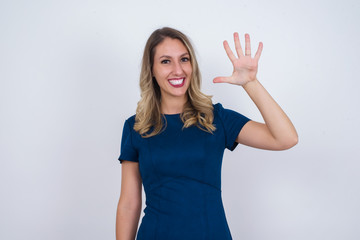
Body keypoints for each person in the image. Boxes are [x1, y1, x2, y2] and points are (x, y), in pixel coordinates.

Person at [115, 27, 298, 240]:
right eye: (166, 61)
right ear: (151, 69)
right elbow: (129, 204)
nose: (177, 69)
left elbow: (286, 138)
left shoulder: (215, 118)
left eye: (184, 59)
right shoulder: (136, 127)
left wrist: (251, 83)